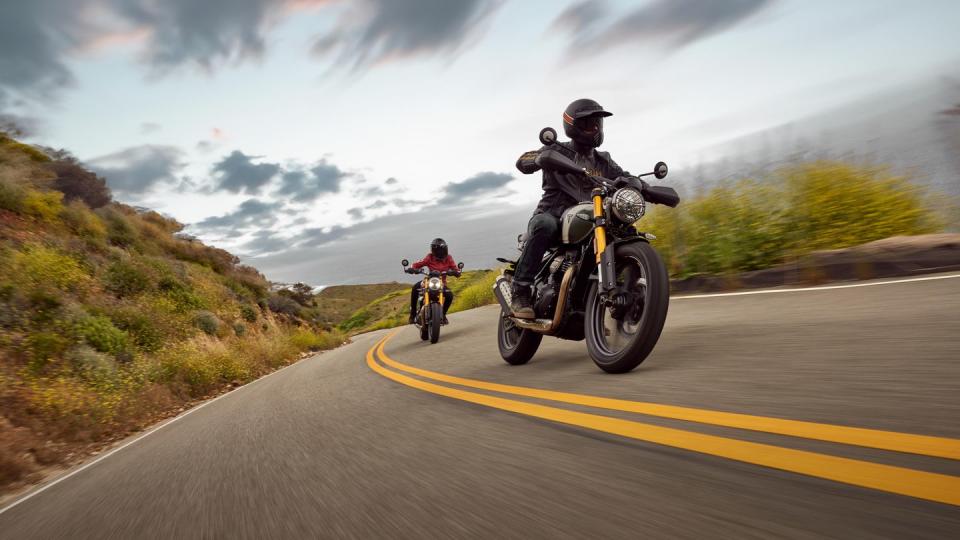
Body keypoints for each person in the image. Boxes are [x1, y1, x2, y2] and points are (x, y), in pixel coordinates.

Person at [511, 98, 629, 319]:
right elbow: (523, 161)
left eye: (598, 123)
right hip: (554, 213)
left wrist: (640, 185)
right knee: (544, 226)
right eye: (588, 124)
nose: (594, 128)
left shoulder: (603, 160)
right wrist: (538, 158)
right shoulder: (556, 149)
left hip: (592, 218)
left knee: (624, 231)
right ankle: (520, 289)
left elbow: (624, 176)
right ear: (572, 126)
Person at [406, 238, 460, 324]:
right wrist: (413, 269)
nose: (441, 252)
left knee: (449, 295)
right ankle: (412, 314)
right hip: (428, 281)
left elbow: (456, 269)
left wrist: (456, 272)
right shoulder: (429, 257)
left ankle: (443, 314)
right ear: (434, 250)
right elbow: (417, 264)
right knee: (415, 288)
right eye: (439, 250)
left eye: (442, 249)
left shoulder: (448, 258)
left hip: (441, 283)